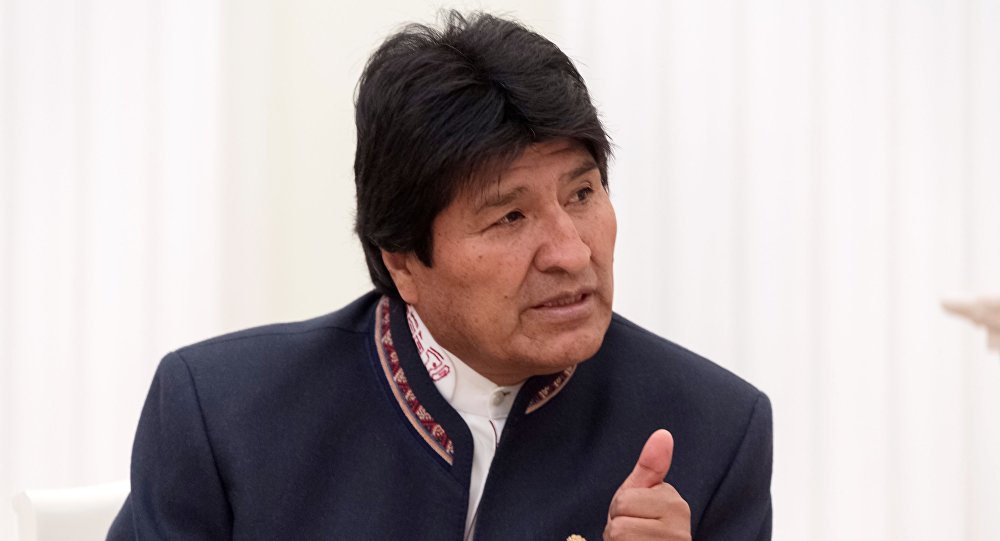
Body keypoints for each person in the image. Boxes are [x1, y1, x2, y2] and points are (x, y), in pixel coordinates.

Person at [108, 11, 771, 541]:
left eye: (582, 193)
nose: (571, 253)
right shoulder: (223, 415)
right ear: (402, 259)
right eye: (510, 216)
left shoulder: (713, 431)